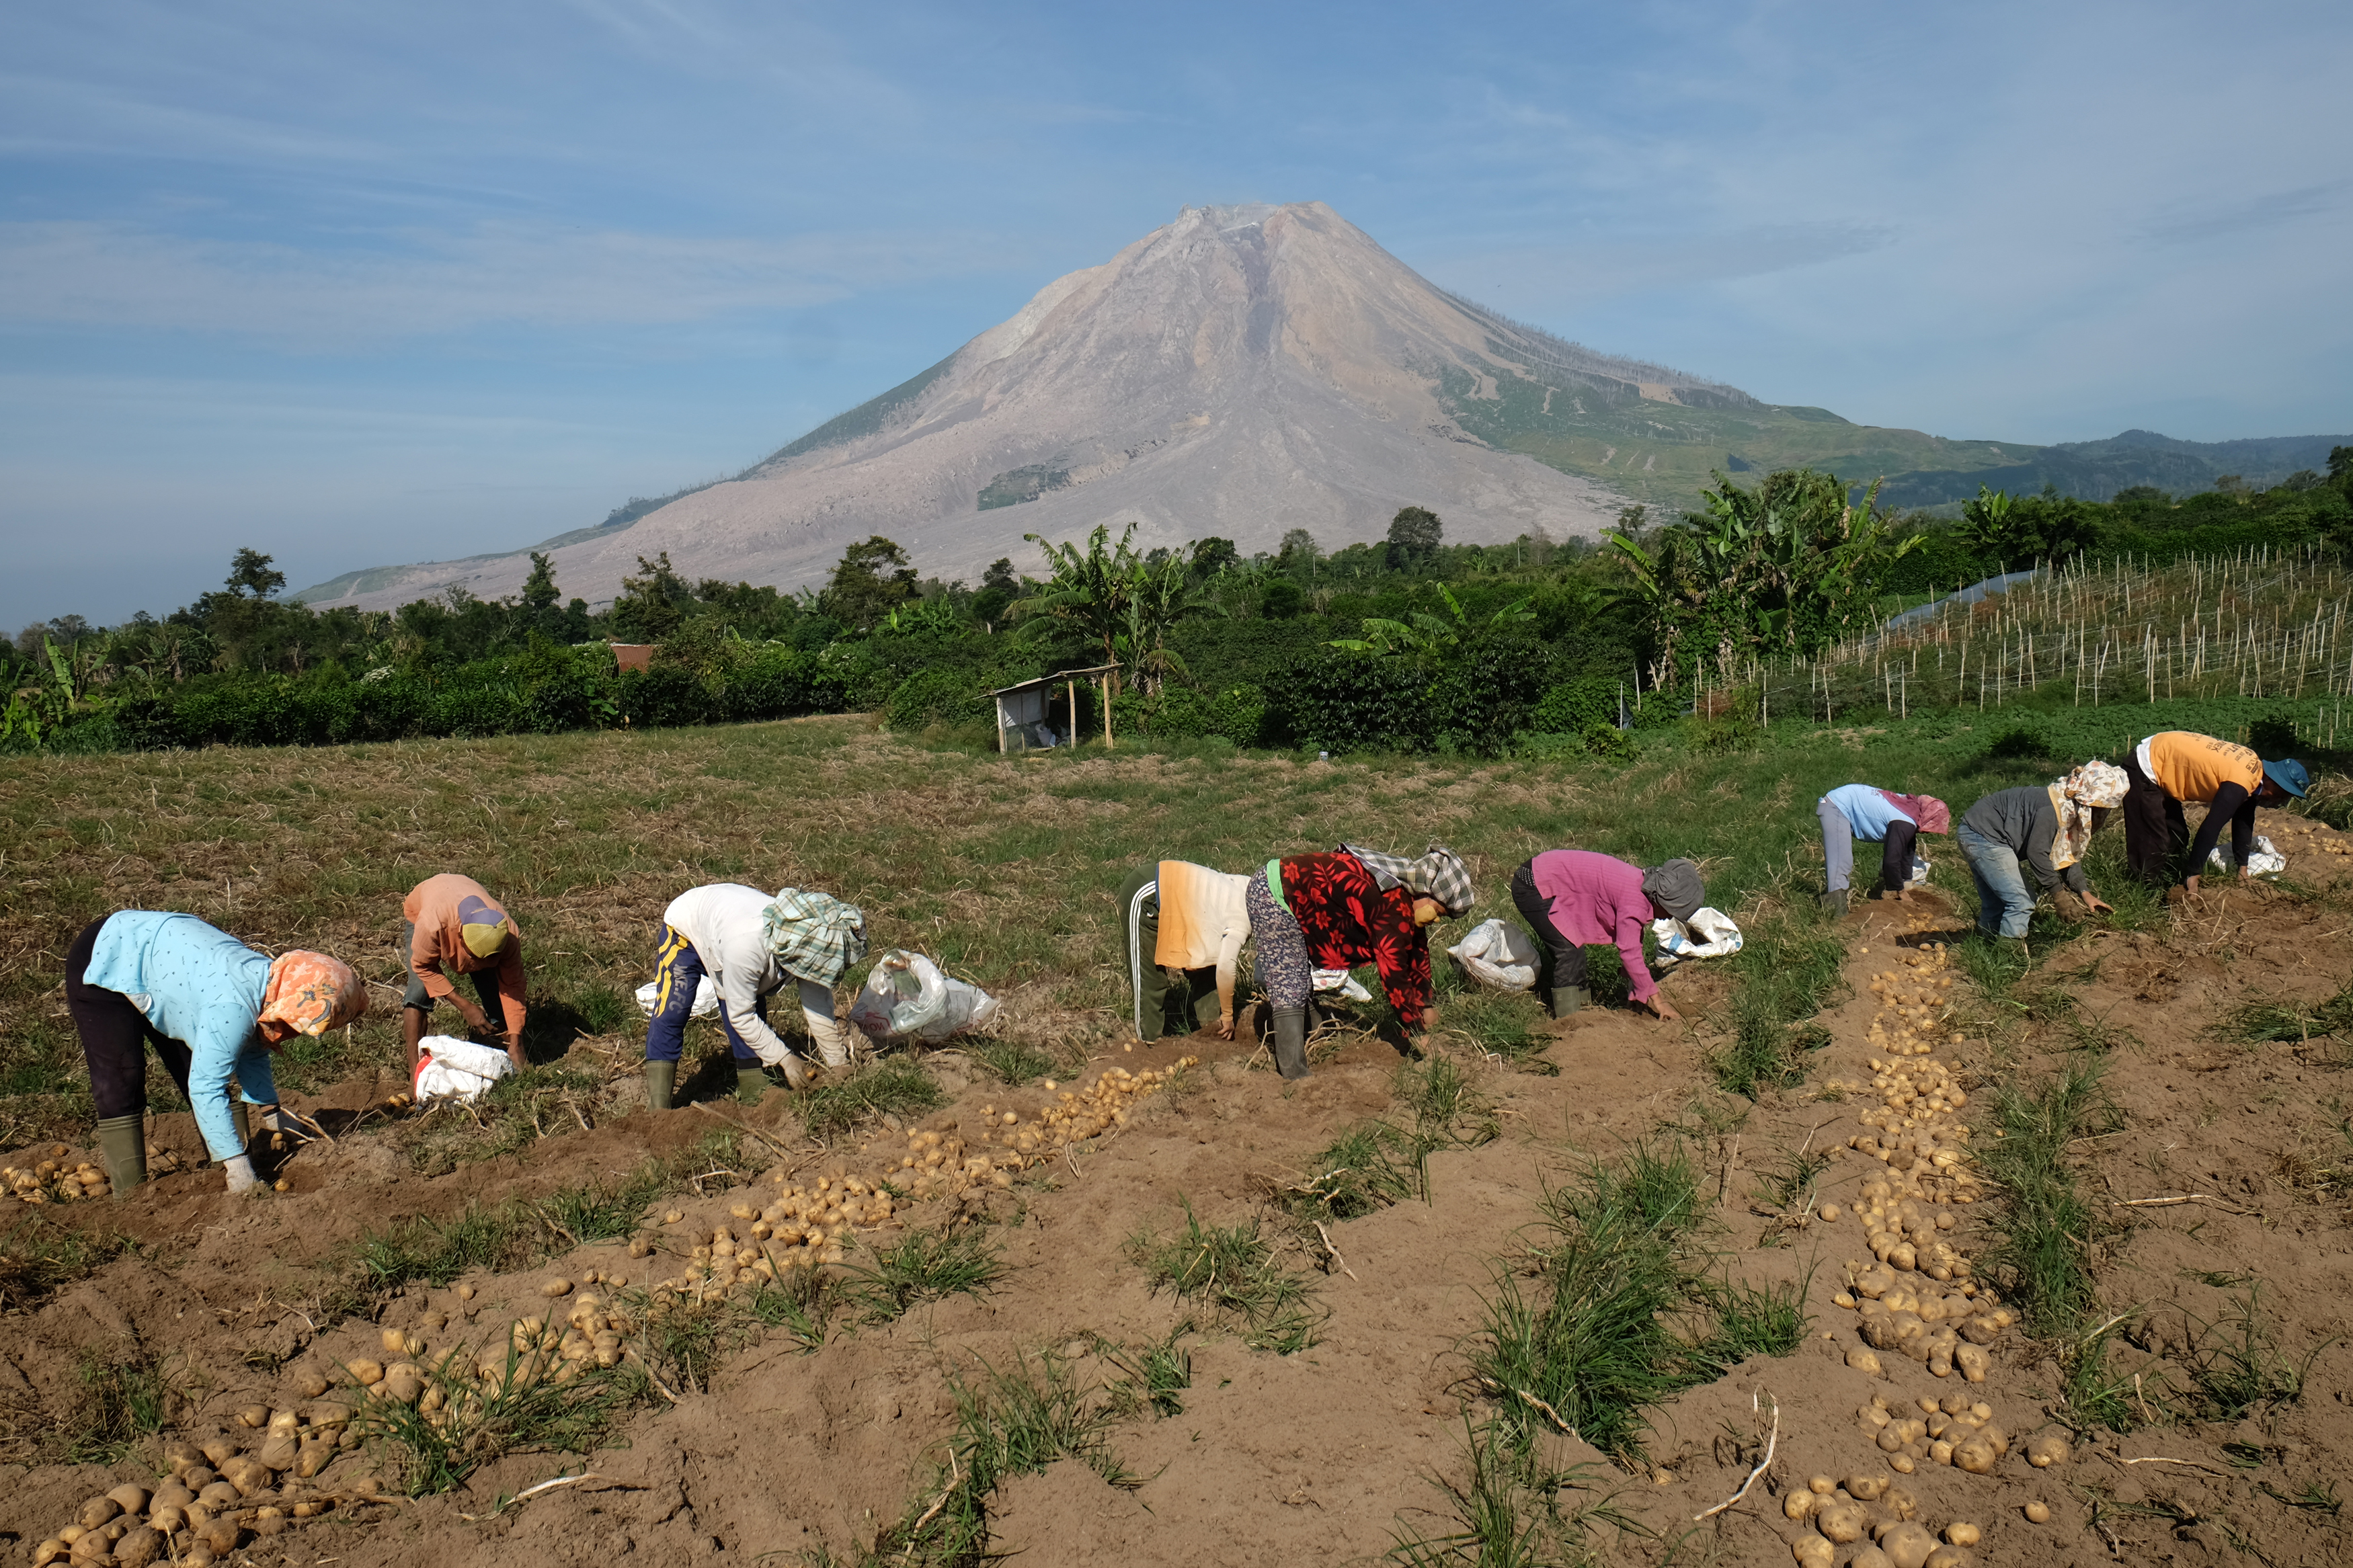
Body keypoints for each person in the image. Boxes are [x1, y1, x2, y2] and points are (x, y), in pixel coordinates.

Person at [65, 911, 366, 1194]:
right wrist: (239, 1169)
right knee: (122, 1076)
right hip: (109, 949)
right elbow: (206, 1087)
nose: (296, 1030)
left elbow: (252, 1043)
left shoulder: (269, 980)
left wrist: (273, 1113)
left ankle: (219, 1162)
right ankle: (130, 1196)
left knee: (193, 1064)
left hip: (164, 955)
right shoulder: (233, 1006)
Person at [1244, 845, 1473, 1079]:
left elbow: (1417, 952)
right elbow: (1394, 975)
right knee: (1290, 984)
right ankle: (1294, 1073)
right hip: (1273, 893)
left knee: (1300, 980)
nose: (1434, 919)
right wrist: (1417, 1033)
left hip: (1293, 893)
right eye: (1436, 911)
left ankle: (1314, 1036)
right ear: (1426, 891)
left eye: (1441, 917)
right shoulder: (1390, 903)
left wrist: (1426, 1005)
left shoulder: (1406, 899)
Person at [642, 883, 864, 1109]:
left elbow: (817, 1006)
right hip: (688, 929)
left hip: (729, 928)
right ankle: (658, 1105)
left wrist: (839, 1063)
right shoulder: (746, 948)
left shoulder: (809, 944)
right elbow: (741, 1015)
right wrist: (786, 1059)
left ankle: (753, 1093)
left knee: (750, 1003)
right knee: (675, 1008)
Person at [1509, 852, 1701, 1022]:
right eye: (1671, 910)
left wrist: (1638, 987)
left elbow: (1633, 943)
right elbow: (1629, 952)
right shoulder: (1634, 902)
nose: (1669, 916)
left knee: (1574, 949)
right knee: (1569, 951)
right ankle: (1569, 1022)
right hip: (1533, 884)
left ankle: (1584, 1013)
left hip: (1545, 874)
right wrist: (1658, 1001)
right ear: (1660, 899)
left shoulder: (1642, 886)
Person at [1956, 762, 2127, 940]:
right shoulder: (2052, 810)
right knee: (2021, 902)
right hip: (1984, 835)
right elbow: (2037, 853)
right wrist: (2059, 895)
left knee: (1997, 902)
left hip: (1976, 830)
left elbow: (2065, 855)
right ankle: (2008, 955)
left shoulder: (2067, 806)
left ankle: (1986, 947)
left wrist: (2085, 893)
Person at [2122, 731, 2308, 890]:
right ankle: (2146, 890)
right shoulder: (2239, 783)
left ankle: (2168, 881)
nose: (2280, 800)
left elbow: (2244, 822)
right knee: (2154, 839)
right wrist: (2194, 874)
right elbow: (2211, 827)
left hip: (2165, 760)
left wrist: (2242, 870)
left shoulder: (2254, 772)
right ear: (2272, 780)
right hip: (2147, 765)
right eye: (2282, 793)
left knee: (2177, 835)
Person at [400, 873, 528, 1073]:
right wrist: (465, 1006)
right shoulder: (432, 925)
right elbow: (422, 966)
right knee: (418, 991)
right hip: (428, 899)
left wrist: (517, 1039)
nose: (479, 965)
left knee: (496, 995)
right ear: (461, 936)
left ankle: (507, 1058)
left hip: (463, 889)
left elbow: (513, 986)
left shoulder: (508, 934)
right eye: (475, 957)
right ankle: (416, 1073)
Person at [1118, 860, 1250, 1042]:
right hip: (1148, 892)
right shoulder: (1242, 922)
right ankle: (1149, 1044)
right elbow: (1226, 967)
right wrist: (1228, 1015)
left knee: (1205, 964)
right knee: (1150, 977)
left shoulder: (1253, 886)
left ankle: (1215, 1033)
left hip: (1194, 906)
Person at [1817, 784, 1951, 916]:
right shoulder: (1904, 822)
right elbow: (1891, 861)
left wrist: (1907, 883)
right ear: (1928, 817)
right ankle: (1835, 913)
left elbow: (1907, 852)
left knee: (1843, 860)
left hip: (1843, 801)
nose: (1928, 832)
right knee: (1841, 860)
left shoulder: (1910, 810)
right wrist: (1901, 892)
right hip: (1837, 806)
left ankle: (1836, 907)